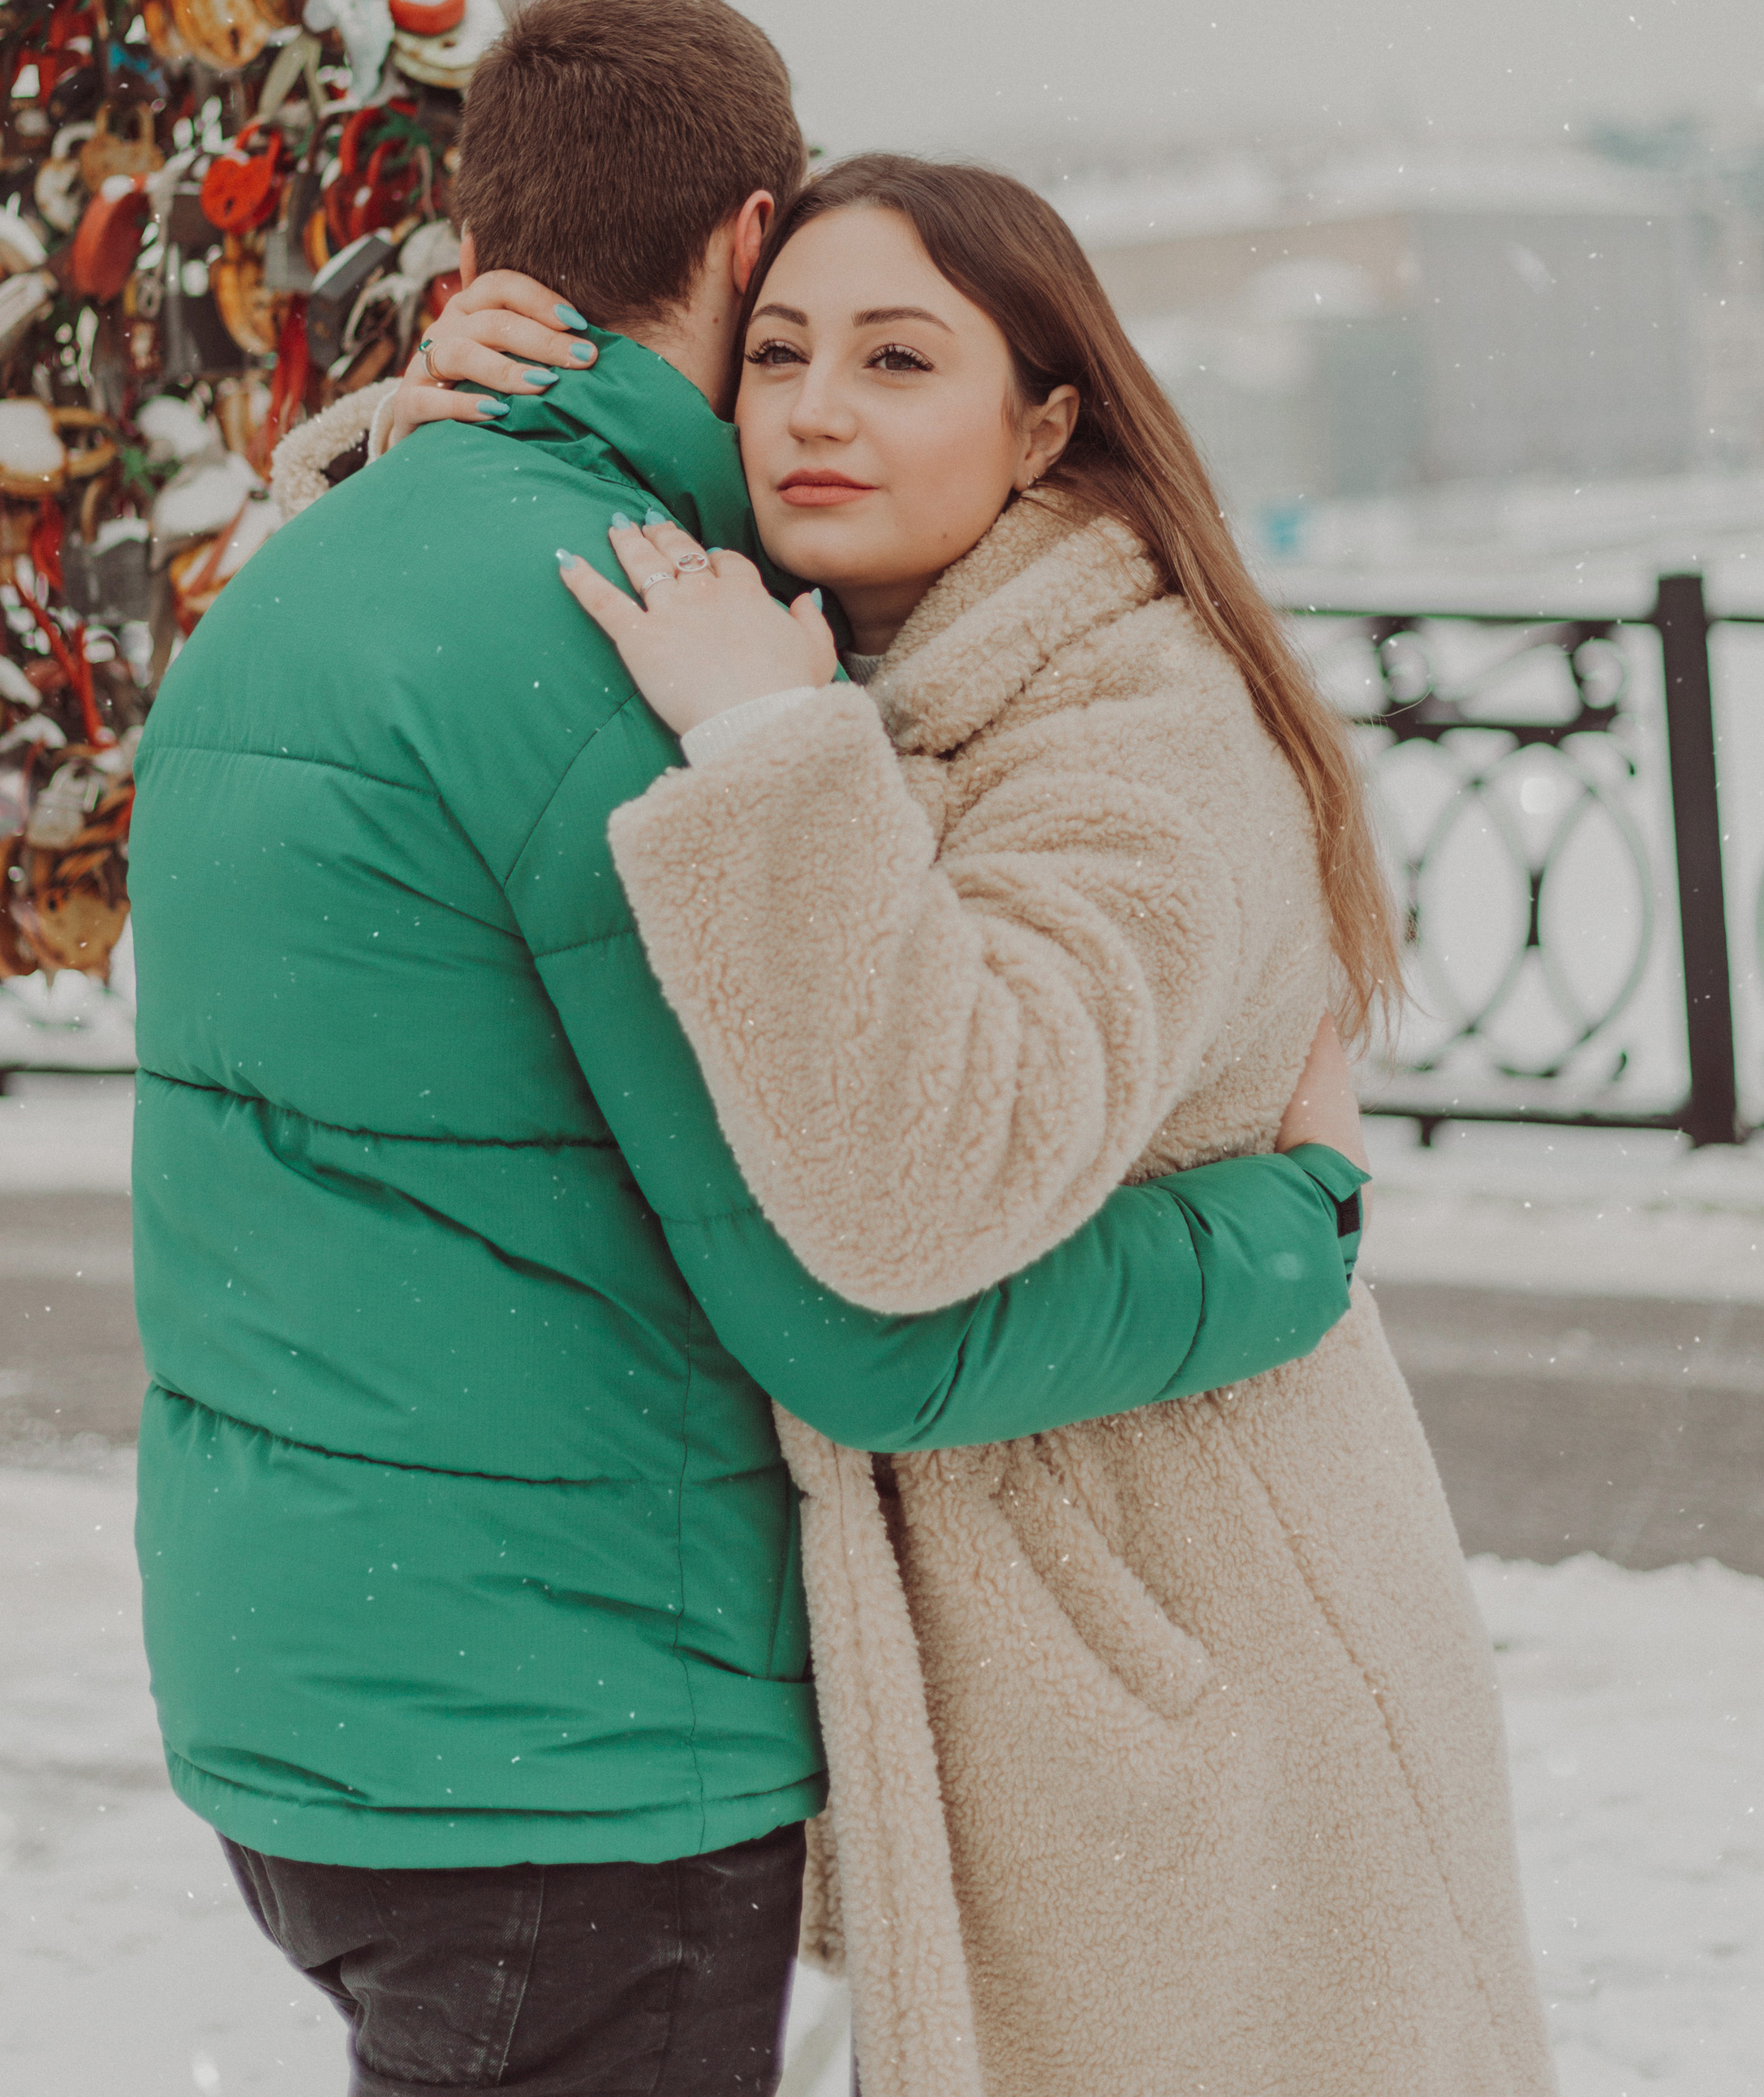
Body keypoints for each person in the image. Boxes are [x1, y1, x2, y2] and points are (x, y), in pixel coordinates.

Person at [127, 0, 1371, 2097]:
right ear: (746, 237)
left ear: (481, 250)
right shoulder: (621, 635)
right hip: (565, 1736)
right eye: (791, 339)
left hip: (301, 1688)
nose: (812, 407)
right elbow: (867, 1314)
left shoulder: (316, 566)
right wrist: (1285, 1236)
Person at [399, 147, 1555, 2097]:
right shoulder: (862, 647)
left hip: (1200, 1697)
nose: (813, 409)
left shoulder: (1137, 726)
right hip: (1054, 1707)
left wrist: (766, 749)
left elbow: (918, 1195)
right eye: (775, 354)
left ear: (1042, 426)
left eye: (896, 359)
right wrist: (453, 442)